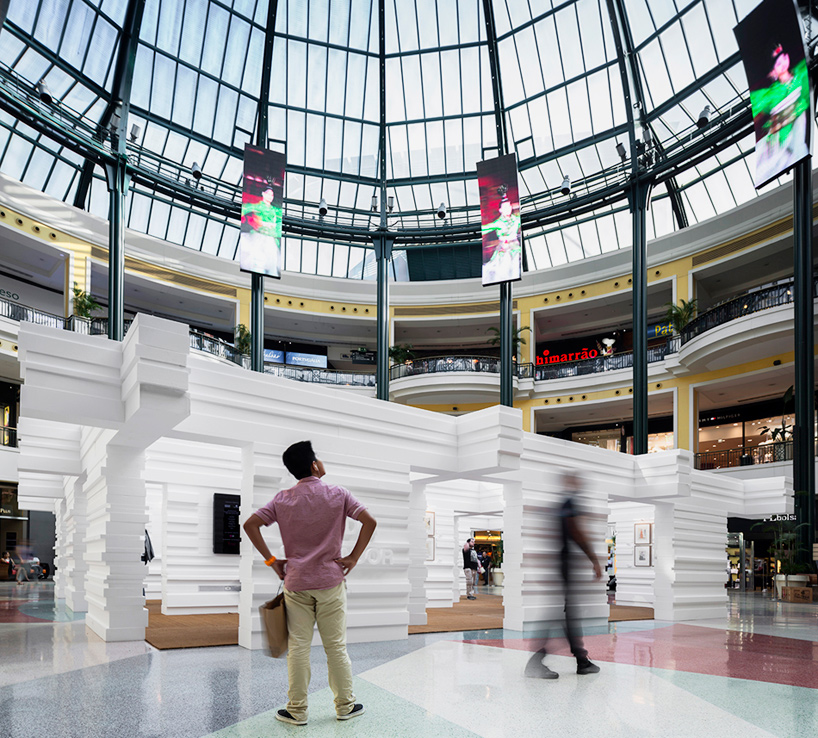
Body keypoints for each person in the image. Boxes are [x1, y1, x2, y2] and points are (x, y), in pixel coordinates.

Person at [243, 441, 377, 726]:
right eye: (319, 458)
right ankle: (345, 706)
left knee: (299, 647)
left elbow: (250, 525)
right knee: (336, 647)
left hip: (297, 583)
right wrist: (352, 557)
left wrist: (272, 561)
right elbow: (370, 521)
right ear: (315, 465)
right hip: (330, 581)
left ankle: (297, 710)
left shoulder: (282, 499)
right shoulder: (338, 494)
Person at [525, 472, 603, 679]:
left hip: (563, 564)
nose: (579, 483)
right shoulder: (569, 503)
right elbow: (576, 532)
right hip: (565, 564)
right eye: (575, 479)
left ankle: (581, 659)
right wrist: (593, 559)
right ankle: (537, 662)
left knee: (567, 614)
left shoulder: (562, 504)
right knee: (561, 614)